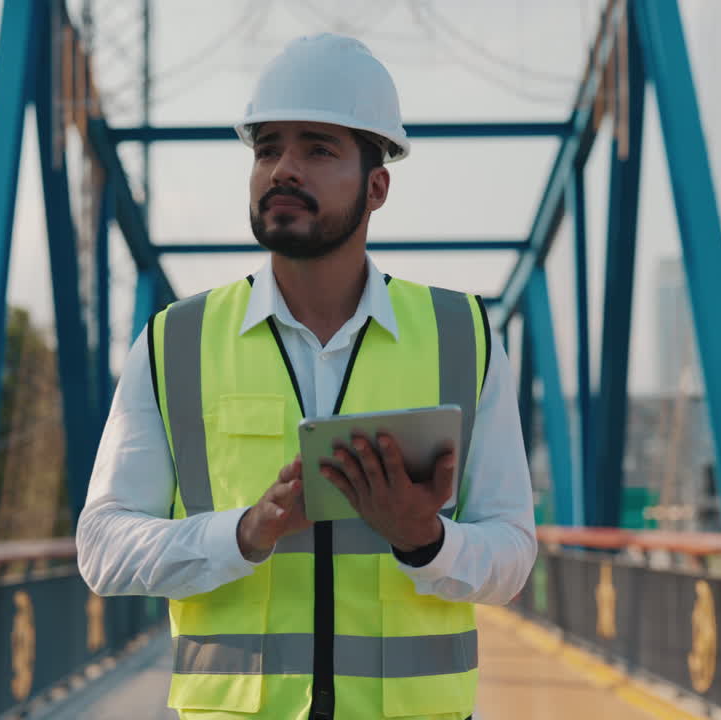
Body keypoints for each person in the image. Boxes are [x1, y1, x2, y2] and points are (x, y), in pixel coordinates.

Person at [77, 33, 537, 720]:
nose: (283, 170)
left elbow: (513, 553)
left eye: (317, 149)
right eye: (267, 149)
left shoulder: (462, 336)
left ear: (377, 187)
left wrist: (427, 540)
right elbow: (103, 548)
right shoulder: (174, 342)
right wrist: (244, 533)